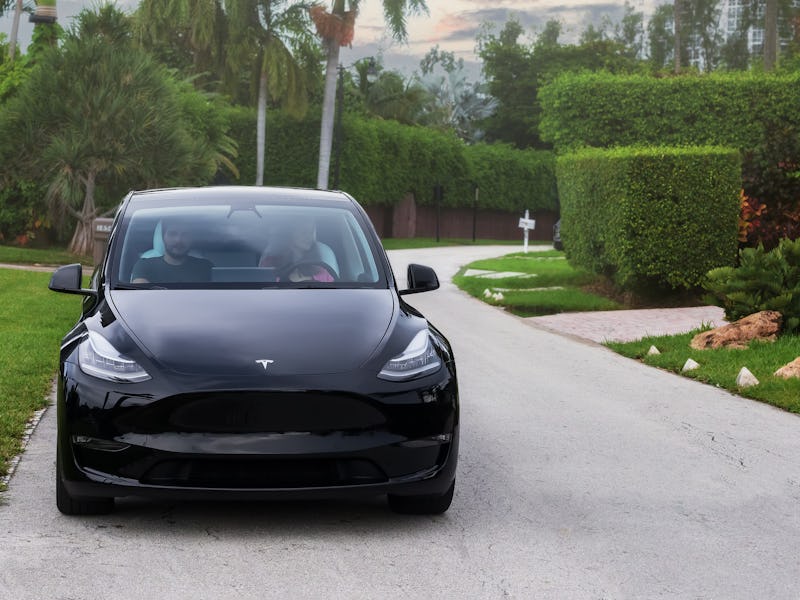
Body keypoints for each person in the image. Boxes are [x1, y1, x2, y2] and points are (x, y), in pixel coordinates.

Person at [131, 217, 212, 284]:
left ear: (191, 239)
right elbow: (142, 297)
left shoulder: (206, 267)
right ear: (163, 237)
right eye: (172, 234)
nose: (178, 240)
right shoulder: (144, 266)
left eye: (185, 234)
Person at [259, 218, 335, 282]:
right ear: (290, 234)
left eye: (311, 232)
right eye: (304, 232)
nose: (309, 236)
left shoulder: (320, 269)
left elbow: (333, 294)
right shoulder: (269, 264)